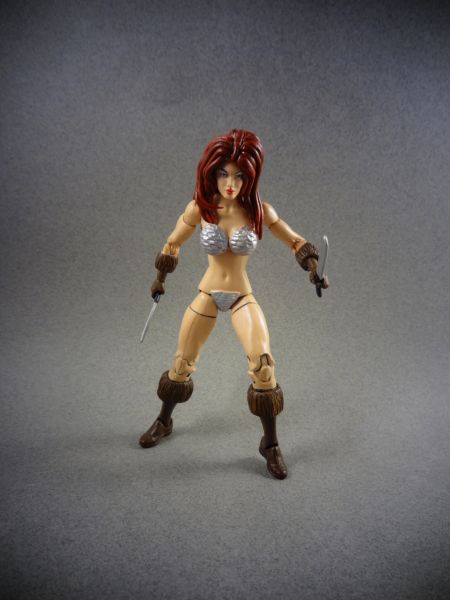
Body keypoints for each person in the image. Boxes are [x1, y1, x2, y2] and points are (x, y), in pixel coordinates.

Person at [139, 129, 328, 479]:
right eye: (224, 173)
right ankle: (164, 420)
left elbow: (295, 241)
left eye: (239, 176)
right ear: (211, 172)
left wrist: (313, 268)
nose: (230, 183)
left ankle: (270, 444)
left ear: (250, 177)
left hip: (241, 294)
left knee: (263, 364)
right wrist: (160, 279)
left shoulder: (259, 211)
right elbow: (172, 243)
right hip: (208, 292)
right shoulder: (201, 208)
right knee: (182, 364)